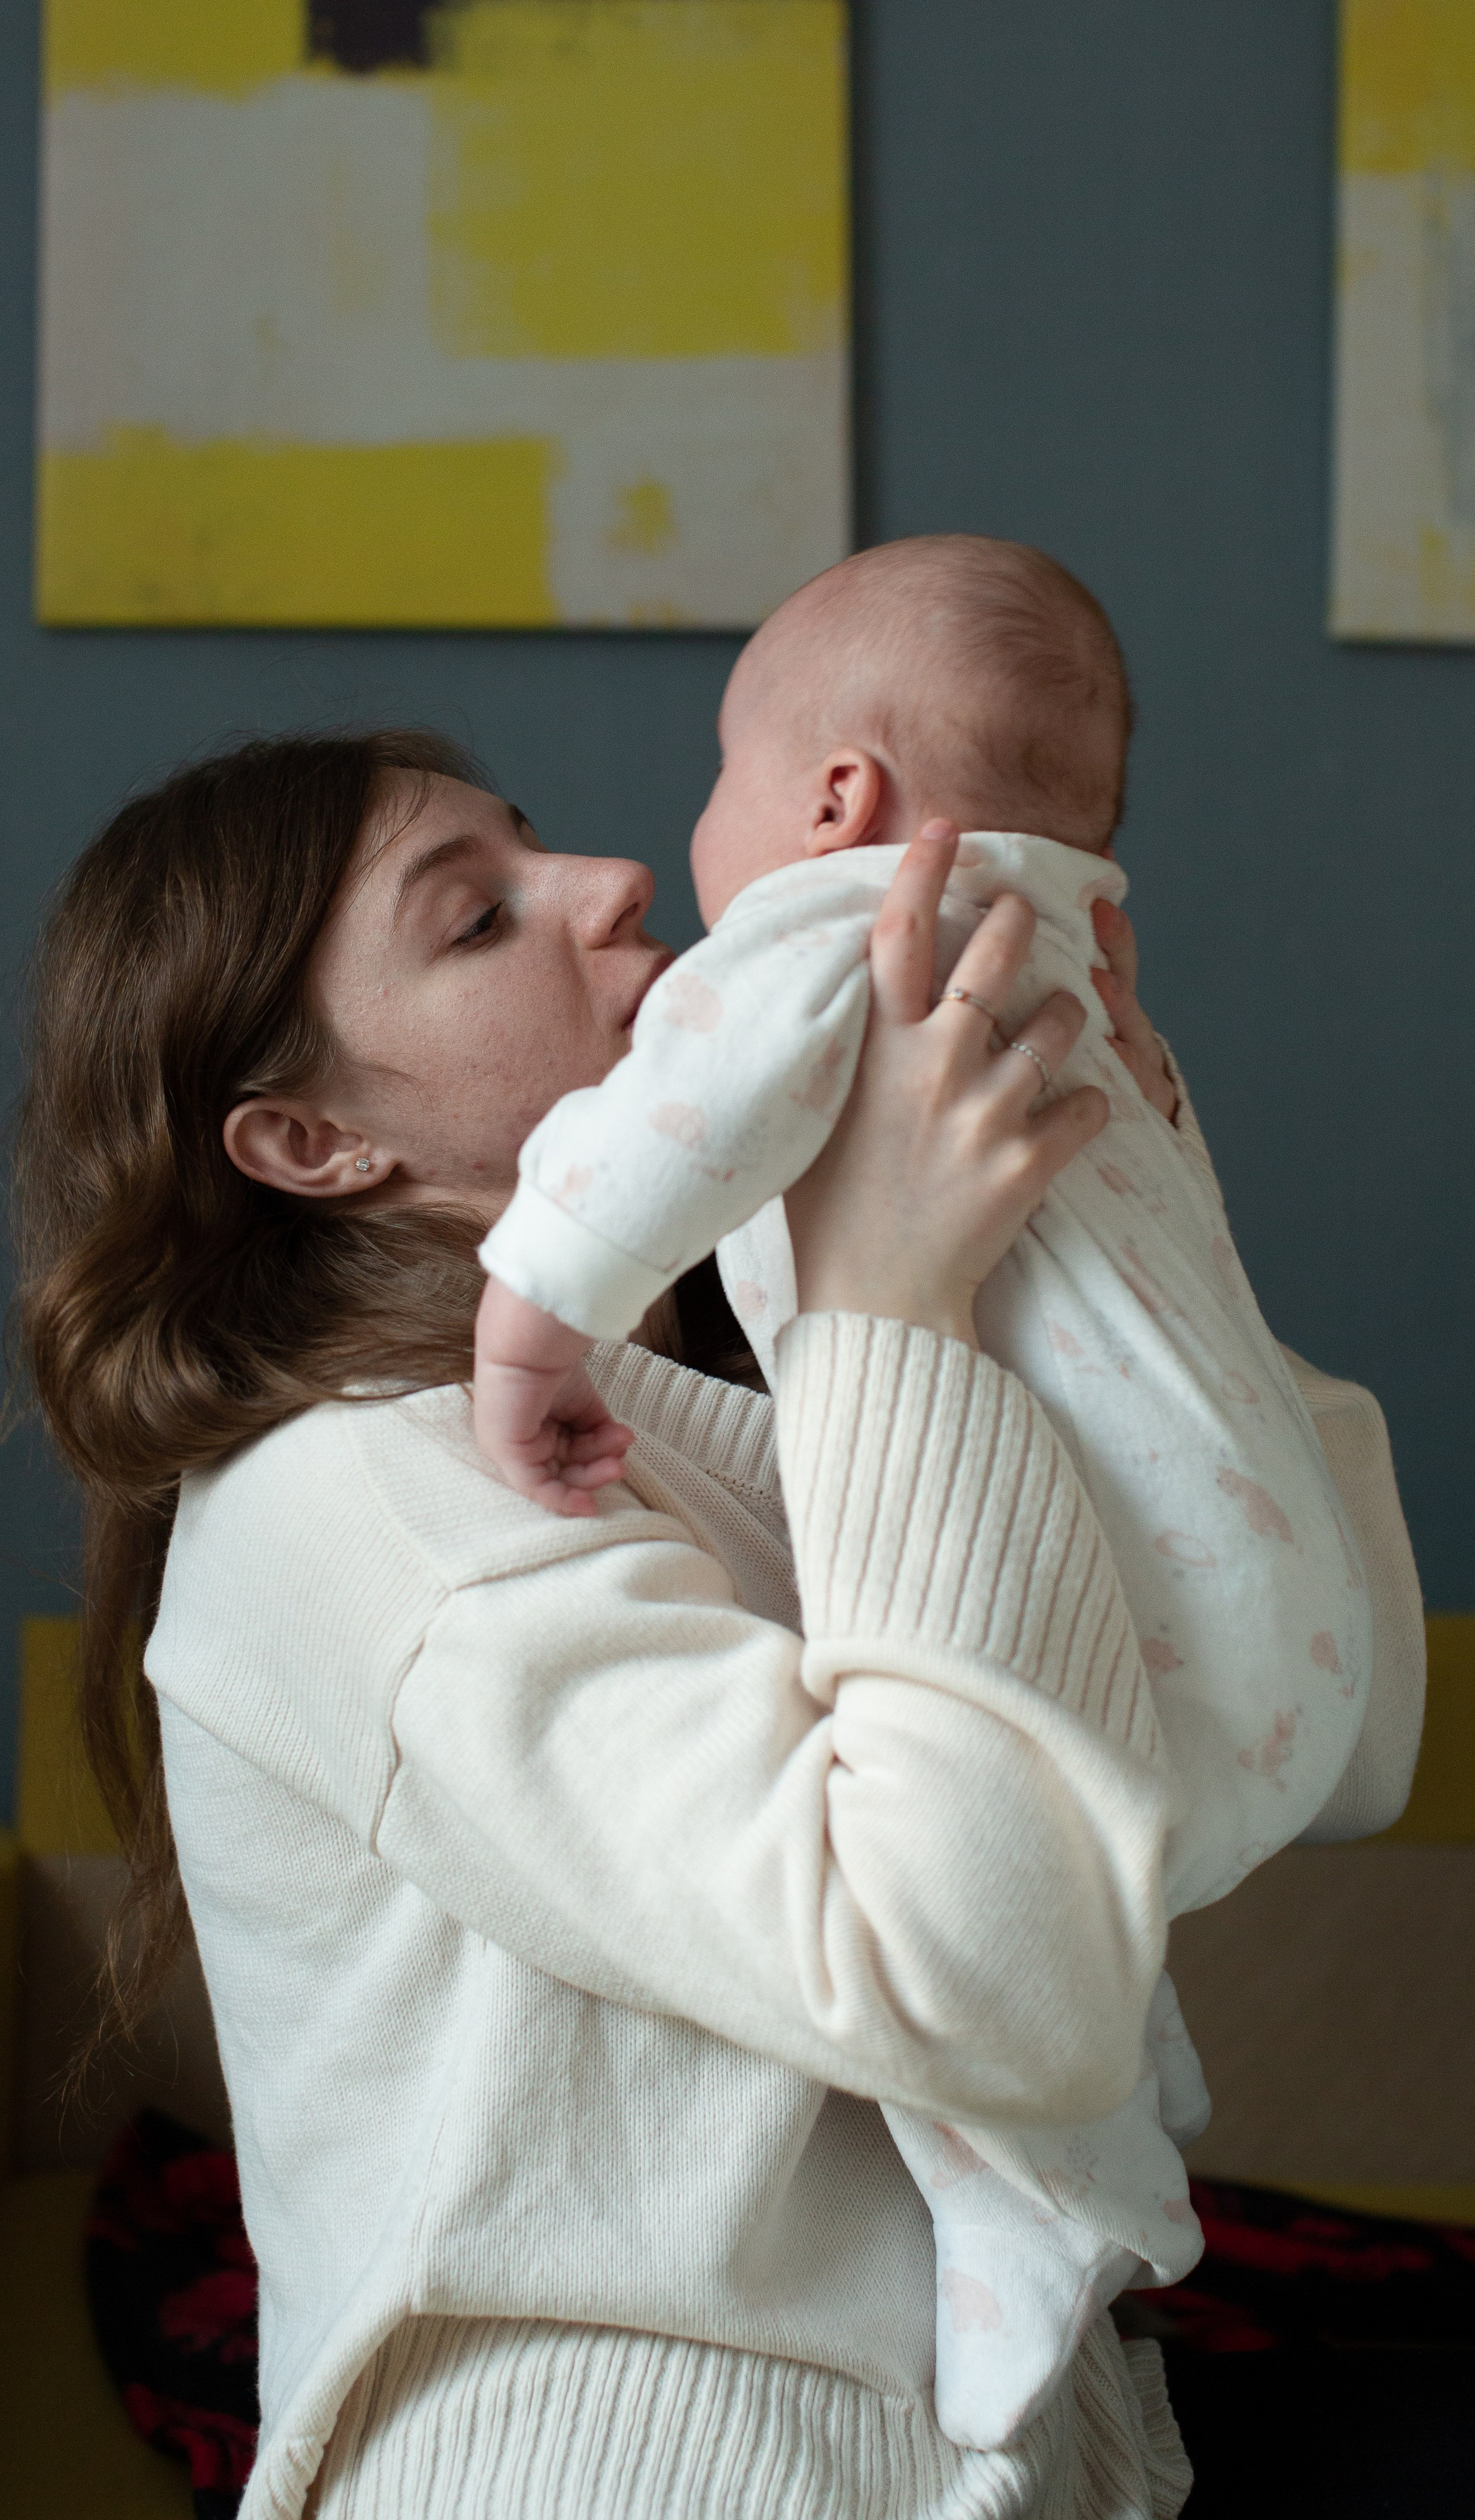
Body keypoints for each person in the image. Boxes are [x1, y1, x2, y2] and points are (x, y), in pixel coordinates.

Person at [14, 725, 1421, 2520]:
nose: (606, 883)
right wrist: (888, 1301)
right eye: (476, 919)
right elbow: (987, 1992)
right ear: (311, 1141)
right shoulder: (357, 1501)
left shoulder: (733, 1370)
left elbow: (1352, 1740)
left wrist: (1146, 1190)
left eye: (539, 843)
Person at [470, 537, 1418, 2448]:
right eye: (475, 915)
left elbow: (671, 1119)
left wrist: (529, 1319)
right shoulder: (1060, 963)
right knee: (1070, 1903)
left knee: (1032, 1916)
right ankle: (1101, 2171)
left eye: (720, 773)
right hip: (1280, 1622)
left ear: (838, 800)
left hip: (1160, 1629)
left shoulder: (841, 933)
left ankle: (1046, 2213)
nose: (661, 860)